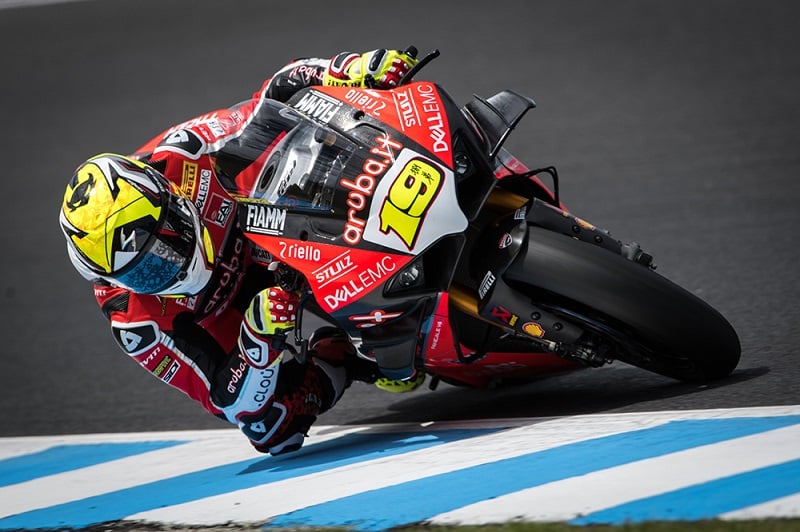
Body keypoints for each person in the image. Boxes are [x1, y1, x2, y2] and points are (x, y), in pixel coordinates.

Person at [58, 49, 420, 456]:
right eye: (144, 271)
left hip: (268, 228)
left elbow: (275, 96)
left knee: (324, 129)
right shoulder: (135, 324)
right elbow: (223, 399)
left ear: (169, 198)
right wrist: (256, 342)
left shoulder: (184, 154)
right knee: (270, 428)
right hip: (236, 315)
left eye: (166, 239)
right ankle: (344, 356)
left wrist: (348, 69)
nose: (168, 263)